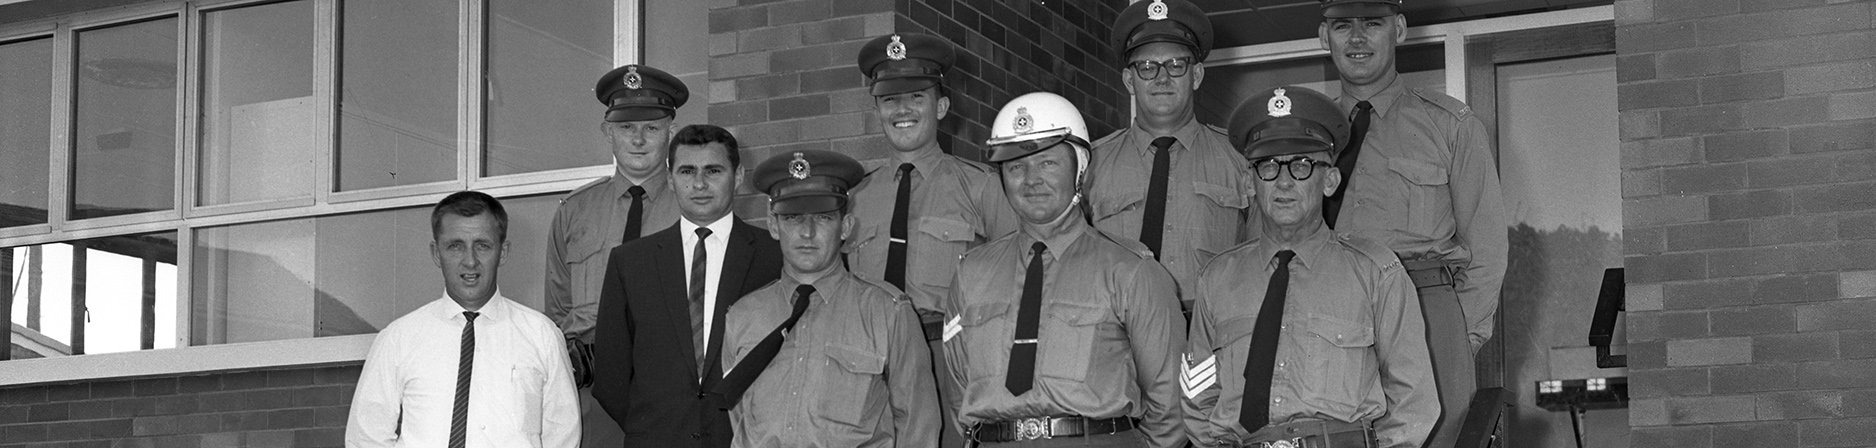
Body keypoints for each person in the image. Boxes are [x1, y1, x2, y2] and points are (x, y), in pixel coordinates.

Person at [1182, 86, 1437, 447]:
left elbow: (1415, 403)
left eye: (1302, 165)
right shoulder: (1217, 280)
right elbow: (1197, 398)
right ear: (1249, 182)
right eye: (1268, 166)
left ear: (1330, 180)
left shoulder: (1376, 275)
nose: (1284, 181)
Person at [943, 92, 1184, 447]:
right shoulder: (971, 275)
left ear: (1080, 168)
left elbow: (1170, 405)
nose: (1031, 179)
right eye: (1016, 167)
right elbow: (958, 390)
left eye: (1048, 163)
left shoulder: (1131, 272)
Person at [1317, 1, 1508, 445]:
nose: (1358, 38)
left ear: (1399, 29)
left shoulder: (1449, 126)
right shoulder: (1310, 134)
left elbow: (1487, 251)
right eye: (1343, 26)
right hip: (1330, 316)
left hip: (1427, 314)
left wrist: (1458, 339)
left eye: (1373, 24)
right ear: (1325, 38)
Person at [845, 32, 1018, 447]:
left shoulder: (982, 188)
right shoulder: (852, 198)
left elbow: (1021, 278)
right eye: (889, 99)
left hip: (947, 358)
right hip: (867, 362)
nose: (902, 109)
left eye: (916, 97)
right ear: (876, 111)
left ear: (940, 107)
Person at [714, 149, 940, 447]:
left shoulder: (887, 312)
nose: (807, 232)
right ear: (773, 226)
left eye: (823, 217)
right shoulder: (743, 317)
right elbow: (741, 424)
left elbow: (918, 426)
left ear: (846, 227)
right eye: (793, 218)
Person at [588, 125, 783, 447]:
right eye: (687, 171)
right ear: (670, 179)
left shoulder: (773, 255)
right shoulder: (631, 262)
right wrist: (655, 429)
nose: (699, 184)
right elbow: (611, 376)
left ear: (737, 176)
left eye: (714, 171)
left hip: (750, 439)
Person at [346, 191, 580, 447]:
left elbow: (563, 434)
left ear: (502, 253)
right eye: (455, 246)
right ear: (436, 253)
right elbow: (366, 437)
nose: (470, 261)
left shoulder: (542, 335)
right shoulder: (397, 339)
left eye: (482, 245)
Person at [544, 63, 689, 444]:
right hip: (591, 396)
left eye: (652, 128)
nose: (638, 139)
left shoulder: (694, 207)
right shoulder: (574, 212)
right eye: (626, 127)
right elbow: (558, 311)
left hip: (671, 388)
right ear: (608, 132)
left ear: (671, 132)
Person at [1092, 0, 1252, 313]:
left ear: (1196, 75)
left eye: (1176, 65)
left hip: (1210, 335)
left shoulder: (1240, 158)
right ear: (1129, 80)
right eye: (1147, 67)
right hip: (1120, 338)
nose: (1162, 78)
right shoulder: (1091, 165)